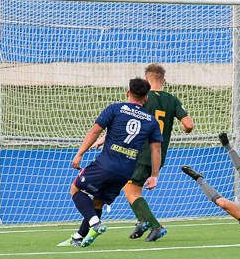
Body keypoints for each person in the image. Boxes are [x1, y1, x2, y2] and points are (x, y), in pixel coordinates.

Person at [59, 78, 163, 248]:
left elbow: (95, 131)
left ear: (128, 93)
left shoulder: (116, 109)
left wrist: (79, 154)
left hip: (105, 164)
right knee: (98, 202)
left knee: (75, 188)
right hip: (126, 172)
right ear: (146, 98)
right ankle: (78, 237)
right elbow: (156, 150)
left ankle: (94, 223)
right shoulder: (151, 121)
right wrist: (154, 175)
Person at [121, 64, 194, 242]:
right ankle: (142, 221)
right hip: (158, 154)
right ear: (164, 80)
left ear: (146, 79)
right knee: (132, 189)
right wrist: (185, 130)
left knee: (131, 192)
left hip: (140, 152)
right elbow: (189, 124)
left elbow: (130, 122)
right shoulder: (172, 99)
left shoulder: (144, 99)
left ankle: (155, 225)